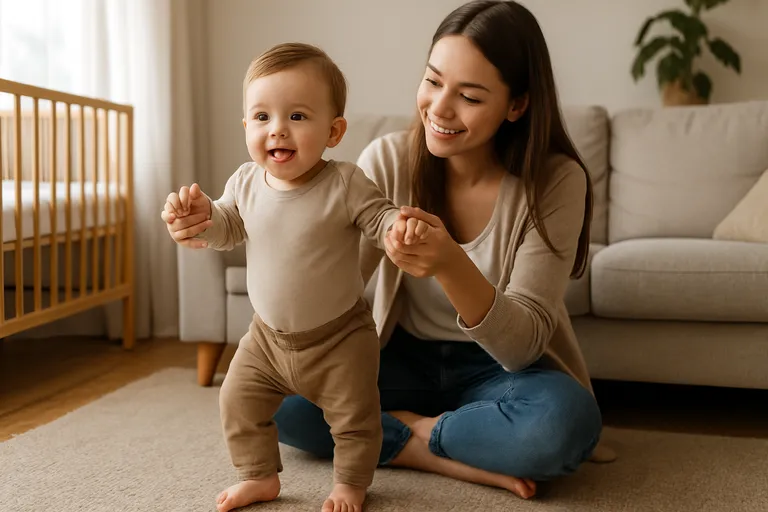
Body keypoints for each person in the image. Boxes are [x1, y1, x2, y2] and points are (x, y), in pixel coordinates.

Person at [274, 0, 613, 501]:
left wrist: (451, 262)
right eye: (433, 81)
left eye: (470, 97)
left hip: (501, 370)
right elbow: (334, 288)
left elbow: (521, 347)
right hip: (397, 354)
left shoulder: (556, 181)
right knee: (281, 396)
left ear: (516, 105)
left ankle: (395, 434)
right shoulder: (388, 160)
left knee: (561, 426)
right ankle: (432, 447)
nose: (439, 108)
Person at [161, 43, 428, 512]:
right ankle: (260, 476)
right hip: (266, 339)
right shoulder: (245, 182)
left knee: (355, 420)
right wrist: (202, 216)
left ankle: (350, 483)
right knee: (235, 400)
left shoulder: (345, 182)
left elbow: (379, 218)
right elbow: (227, 226)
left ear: (334, 130)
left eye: (298, 116)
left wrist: (397, 229)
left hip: (340, 337)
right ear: (247, 126)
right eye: (262, 117)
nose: (278, 129)